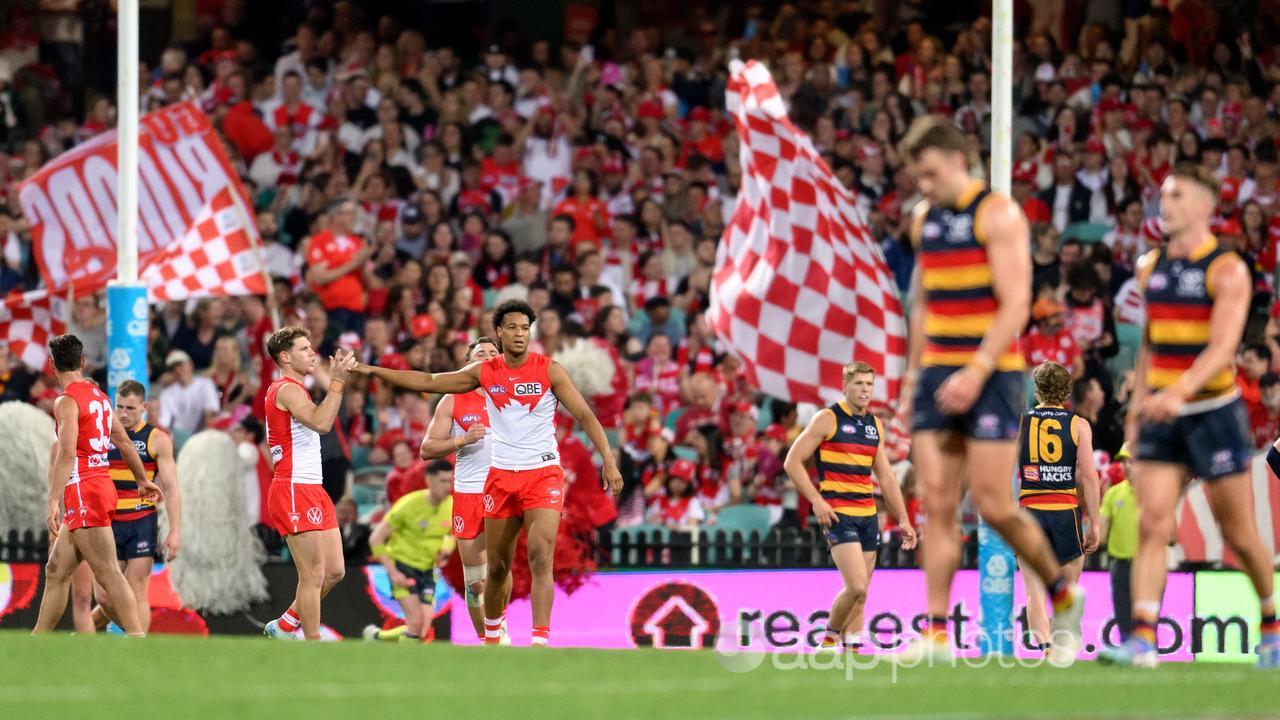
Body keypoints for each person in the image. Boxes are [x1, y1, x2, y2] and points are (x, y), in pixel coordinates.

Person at [896, 116, 1084, 663]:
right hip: (937, 370)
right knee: (937, 502)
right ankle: (934, 634)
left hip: (994, 372)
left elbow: (1017, 302)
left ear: (958, 160)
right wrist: (914, 374)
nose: (923, 187)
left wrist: (976, 370)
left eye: (930, 174)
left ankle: (1063, 591)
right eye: (917, 177)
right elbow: (924, 303)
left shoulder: (997, 213)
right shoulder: (923, 221)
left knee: (997, 504)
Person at [354, 299, 623, 646]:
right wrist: (372, 371)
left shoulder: (550, 369)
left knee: (542, 555)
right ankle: (493, 637)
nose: (519, 334)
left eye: (525, 328)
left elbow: (586, 415)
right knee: (494, 570)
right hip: (498, 480)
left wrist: (609, 460)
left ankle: (539, 641)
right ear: (499, 331)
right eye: (512, 327)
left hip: (542, 473)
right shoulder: (482, 376)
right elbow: (429, 380)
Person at [1103, 164, 1280, 669]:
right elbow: (1152, 346)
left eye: (1176, 195)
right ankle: (1142, 637)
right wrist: (1136, 412)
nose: (1166, 202)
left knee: (1238, 533)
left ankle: (1271, 623)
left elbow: (1223, 346)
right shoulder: (1148, 266)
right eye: (1163, 194)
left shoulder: (1227, 269)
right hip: (1161, 410)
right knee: (1153, 521)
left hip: (1213, 413)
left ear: (1204, 206)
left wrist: (1178, 392)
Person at [32, 335, 161, 636]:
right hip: (100, 485)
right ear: (82, 361)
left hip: (83, 489)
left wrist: (52, 499)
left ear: (52, 365)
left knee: (108, 573)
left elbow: (66, 453)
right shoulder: (100, 396)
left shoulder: (66, 401)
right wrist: (141, 479)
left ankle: (138, 638)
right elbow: (124, 442)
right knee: (56, 570)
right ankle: (36, 643)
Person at [785, 361, 916, 653]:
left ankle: (853, 650)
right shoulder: (827, 419)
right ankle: (830, 639)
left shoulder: (873, 425)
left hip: (868, 515)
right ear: (845, 386)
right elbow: (792, 462)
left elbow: (886, 476)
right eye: (858, 384)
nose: (865, 390)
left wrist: (904, 519)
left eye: (869, 384)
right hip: (838, 514)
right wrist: (817, 501)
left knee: (862, 593)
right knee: (856, 586)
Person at [261, 327, 356, 641]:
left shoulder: (296, 389)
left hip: (312, 487)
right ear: (285, 357)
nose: (312, 353)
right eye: (303, 349)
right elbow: (322, 422)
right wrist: (338, 382)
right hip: (293, 487)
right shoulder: (285, 389)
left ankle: (287, 626)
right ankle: (311, 642)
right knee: (313, 574)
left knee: (334, 572)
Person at [419, 336, 507, 640]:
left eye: (493, 353)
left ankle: (499, 635)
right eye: (479, 353)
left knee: (498, 569)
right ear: (467, 364)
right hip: (469, 493)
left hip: (504, 491)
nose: (486, 357)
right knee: (475, 582)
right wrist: (462, 440)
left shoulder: (515, 398)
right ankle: (488, 640)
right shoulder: (453, 399)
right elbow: (427, 448)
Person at [79, 380, 181, 633]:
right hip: (106, 523)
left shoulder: (157, 440)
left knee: (136, 588)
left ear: (144, 407)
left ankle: (138, 648)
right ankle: (131, 633)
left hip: (141, 520)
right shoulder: (102, 434)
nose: (123, 414)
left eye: (131, 409)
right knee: (104, 596)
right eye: (120, 407)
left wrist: (175, 531)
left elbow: (171, 488)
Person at [1015, 362, 1101, 654]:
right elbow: (1089, 475)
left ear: (1037, 389)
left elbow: (1004, 468)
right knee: (1066, 591)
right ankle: (1063, 646)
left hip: (1030, 509)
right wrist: (1096, 524)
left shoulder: (1022, 423)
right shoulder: (1078, 424)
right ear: (1066, 390)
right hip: (1065, 511)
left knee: (1034, 590)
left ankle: (1046, 648)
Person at [362, 460, 455, 643]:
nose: (447, 487)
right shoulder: (408, 505)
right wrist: (393, 572)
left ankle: (376, 637)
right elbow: (376, 538)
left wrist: (447, 548)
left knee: (423, 630)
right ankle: (406, 663)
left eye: (450, 482)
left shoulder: (451, 505)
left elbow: (454, 534)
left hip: (428, 571)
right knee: (416, 623)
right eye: (442, 481)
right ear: (429, 480)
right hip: (403, 567)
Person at [1099, 443, 1138, 640]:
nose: (1126, 466)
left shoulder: (1155, 494)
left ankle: (1145, 655)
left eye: (1131, 461)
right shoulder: (1113, 494)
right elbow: (1101, 536)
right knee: (1124, 619)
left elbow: (1171, 536)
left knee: (1145, 621)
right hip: (1120, 565)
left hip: (1146, 566)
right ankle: (1130, 655)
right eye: (1123, 461)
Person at [158, 349, 220, 433]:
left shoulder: (206, 384)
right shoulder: (166, 394)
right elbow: (164, 421)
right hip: (178, 436)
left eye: (180, 365)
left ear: (190, 365)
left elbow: (212, 410)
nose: (178, 370)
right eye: (173, 368)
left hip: (203, 432)